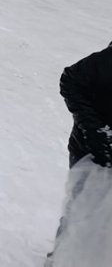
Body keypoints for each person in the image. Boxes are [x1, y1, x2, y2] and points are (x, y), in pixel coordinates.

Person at [47, 43, 112, 263]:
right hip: (89, 152)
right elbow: (70, 81)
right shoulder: (104, 62)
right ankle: (61, 258)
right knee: (81, 208)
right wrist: (95, 130)